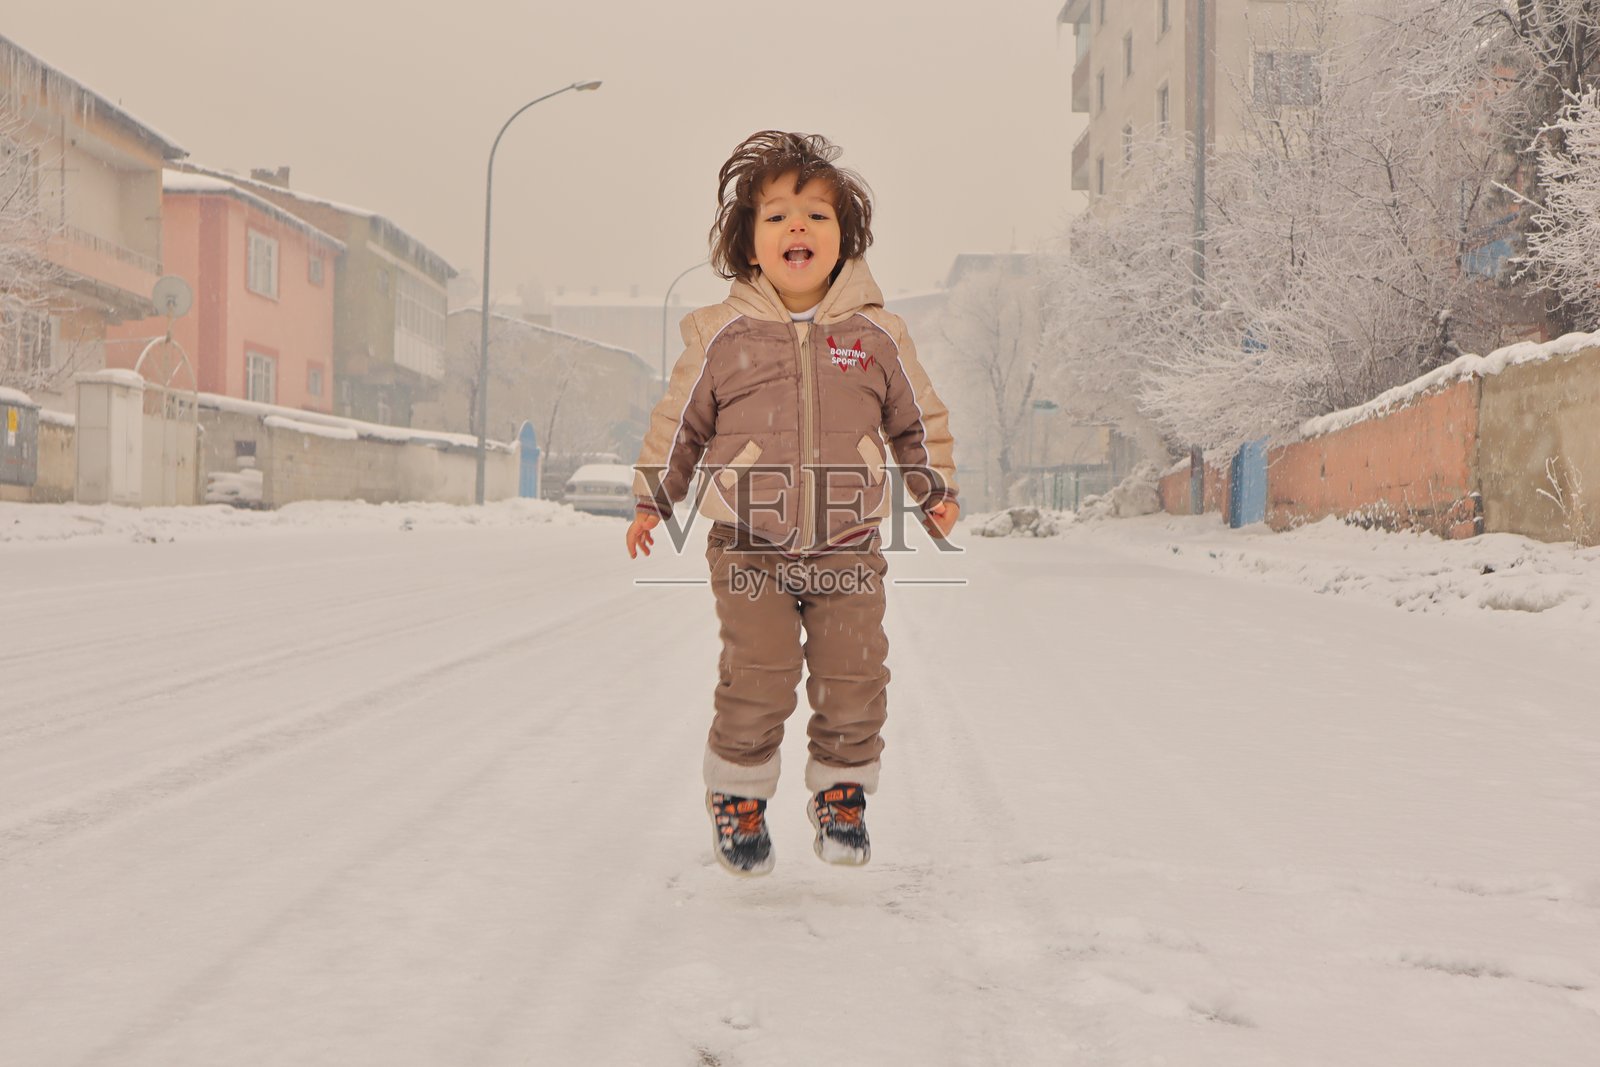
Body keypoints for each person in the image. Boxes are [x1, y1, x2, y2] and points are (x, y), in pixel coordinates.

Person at [625, 131, 960, 876]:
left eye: (816, 214)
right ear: (748, 244)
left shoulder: (877, 336)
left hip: (848, 542)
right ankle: (738, 796)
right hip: (749, 540)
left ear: (846, 240)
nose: (796, 228)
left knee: (855, 673)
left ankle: (842, 794)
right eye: (775, 216)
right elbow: (680, 422)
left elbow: (916, 419)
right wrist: (655, 499)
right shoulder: (720, 337)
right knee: (762, 670)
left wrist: (933, 488)